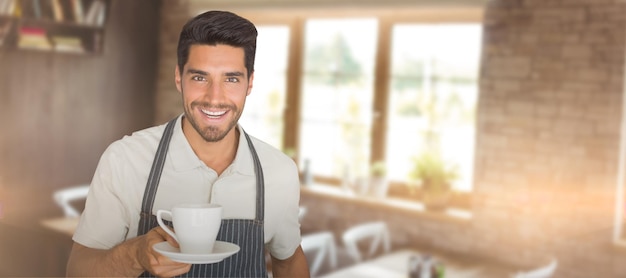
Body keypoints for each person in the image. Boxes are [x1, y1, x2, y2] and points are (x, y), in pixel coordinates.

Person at [66, 10, 309, 277]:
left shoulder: (279, 172)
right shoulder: (125, 159)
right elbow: (78, 271)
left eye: (231, 79)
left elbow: (288, 261)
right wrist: (134, 255)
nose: (214, 98)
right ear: (179, 78)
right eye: (200, 77)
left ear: (249, 82)